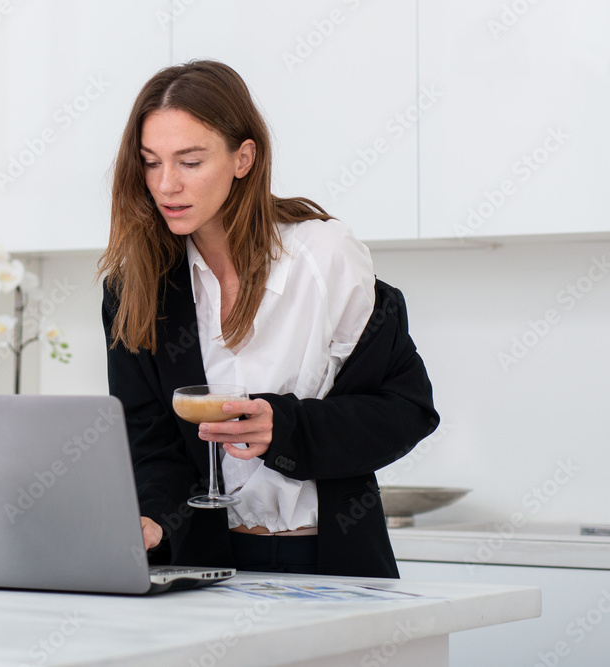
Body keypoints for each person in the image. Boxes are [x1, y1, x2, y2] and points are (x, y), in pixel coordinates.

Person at [98, 60, 439, 578]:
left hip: (333, 562)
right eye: (150, 162)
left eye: (190, 161)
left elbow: (407, 409)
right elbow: (152, 446)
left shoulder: (325, 255)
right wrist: (154, 519)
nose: (166, 185)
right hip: (206, 569)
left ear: (244, 157)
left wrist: (286, 428)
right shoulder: (135, 287)